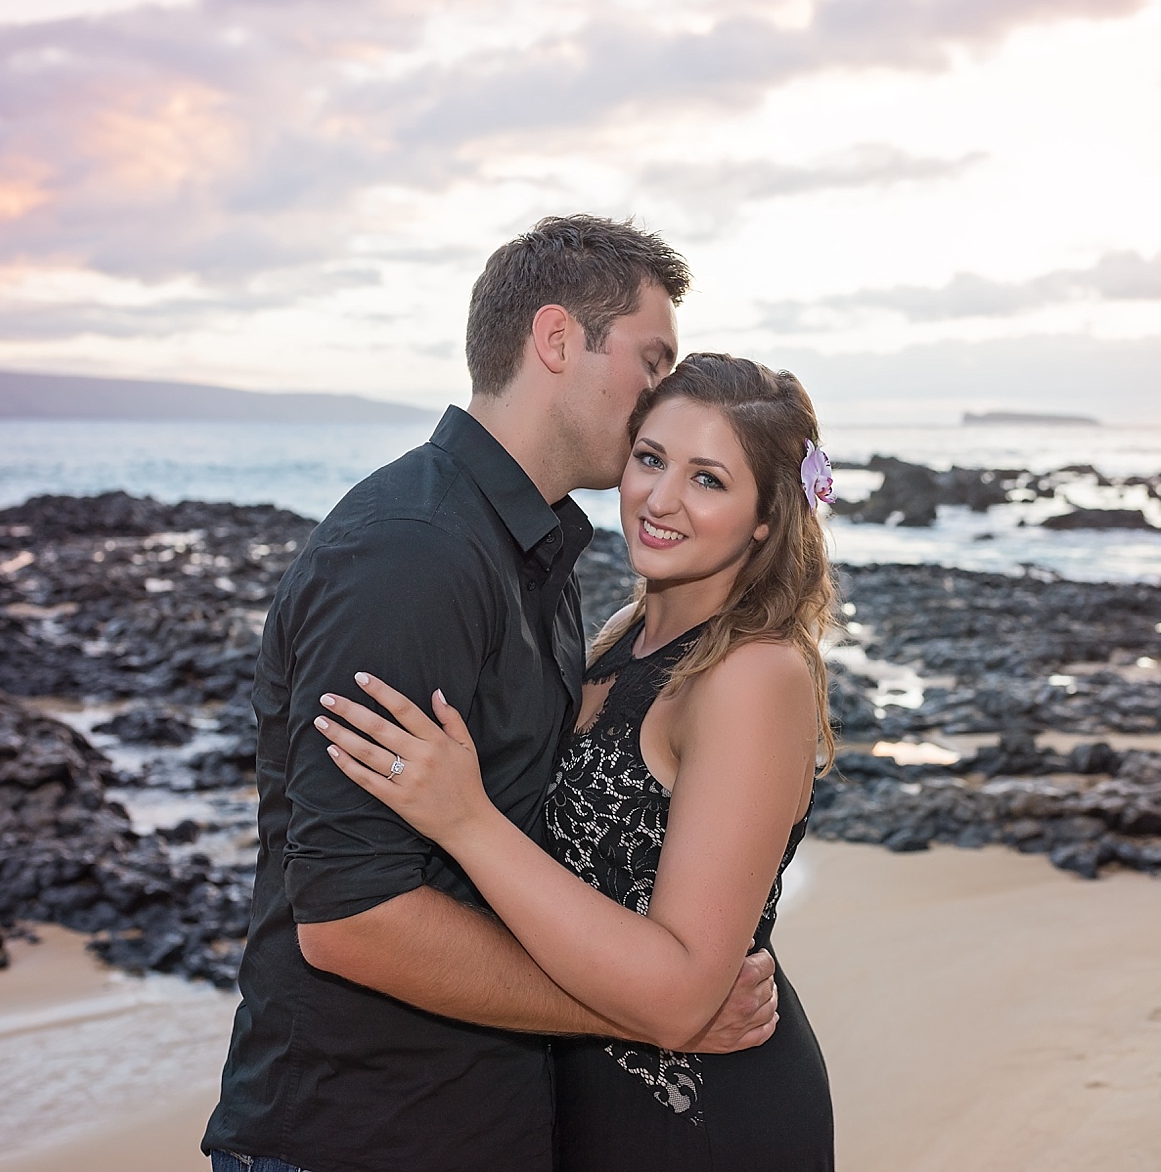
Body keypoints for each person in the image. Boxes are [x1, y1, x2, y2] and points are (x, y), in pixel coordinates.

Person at [202, 219, 781, 1172]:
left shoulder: (537, 550)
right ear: (557, 341)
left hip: (477, 1123)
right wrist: (652, 1009)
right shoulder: (413, 553)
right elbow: (353, 919)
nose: (660, 396)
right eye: (650, 359)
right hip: (358, 1135)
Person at [318, 354, 839, 1171]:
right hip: (576, 1106)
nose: (660, 499)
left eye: (708, 480)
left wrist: (464, 820)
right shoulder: (617, 638)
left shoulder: (755, 674)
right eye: (651, 458)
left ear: (767, 517)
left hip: (700, 1117)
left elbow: (680, 994)